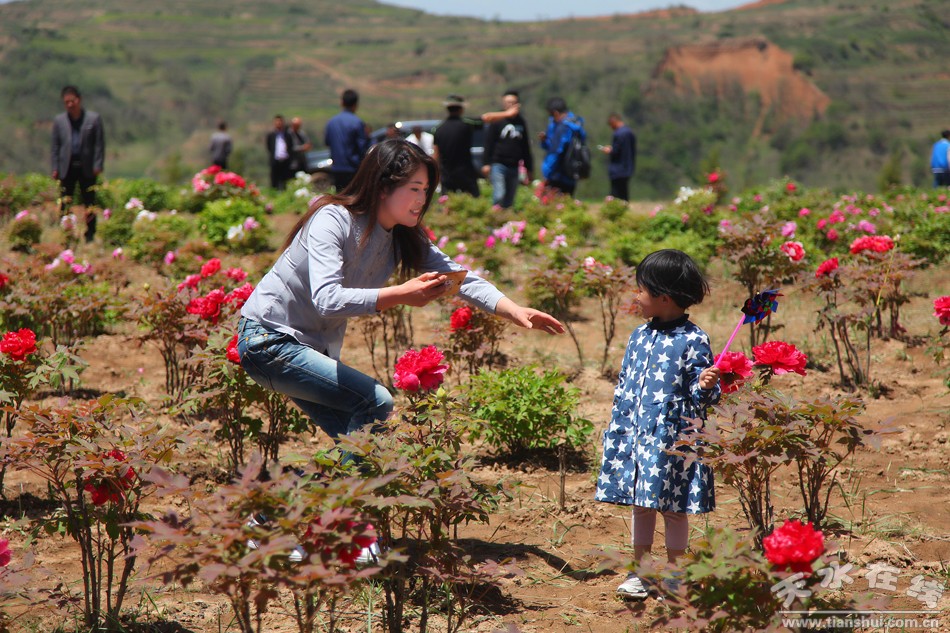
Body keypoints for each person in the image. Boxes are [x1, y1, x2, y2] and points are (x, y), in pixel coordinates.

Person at [237, 139, 565, 445]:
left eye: (426, 190)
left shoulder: (401, 237)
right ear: (383, 187)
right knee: (375, 402)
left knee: (370, 445)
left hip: (304, 347)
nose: (422, 199)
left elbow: (459, 279)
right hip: (268, 339)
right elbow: (327, 299)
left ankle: (302, 506)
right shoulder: (333, 220)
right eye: (414, 188)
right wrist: (401, 294)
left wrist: (513, 309)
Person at [594, 249, 721, 600]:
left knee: (673, 507)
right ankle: (642, 573)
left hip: (671, 439)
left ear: (663, 297)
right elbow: (626, 386)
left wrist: (706, 384)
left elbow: (702, 394)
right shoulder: (639, 336)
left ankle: (676, 575)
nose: (636, 297)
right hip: (636, 436)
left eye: (642, 290)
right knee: (641, 503)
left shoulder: (693, 339)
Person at [51, 85, 105, 242]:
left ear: (79, 100)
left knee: (89, 200)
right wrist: (55, 167)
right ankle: (66, 232)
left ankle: (90, 234)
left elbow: (99, 145)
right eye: (66, 102)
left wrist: (98, 164)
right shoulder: (59, 121)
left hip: (86, 167)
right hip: (66, 166)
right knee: (65, 200)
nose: (69, 105)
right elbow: (55, 146)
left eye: (72, 101)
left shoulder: (93, 119)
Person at [481, 90, 533, 209]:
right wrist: (486, 163)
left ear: (517, 104)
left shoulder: (521, 122)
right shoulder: (497, 119)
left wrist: (529, 168)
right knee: (499, 194)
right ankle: (495, 220)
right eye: (507, 102)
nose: (510, 105)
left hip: (514, 165)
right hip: (498, 164)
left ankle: (506, 223)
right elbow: (488, 143)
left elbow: (525, 147)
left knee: (510, 200)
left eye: (512, 103)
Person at [433, 95, 481, 197]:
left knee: (447, 202)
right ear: (461, 109)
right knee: (473, 200)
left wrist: (436, 174)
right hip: (465, 172)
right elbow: (486, 119)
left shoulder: (439, 129)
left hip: (447, 174)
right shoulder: (467, 125)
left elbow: (436, 154)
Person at [324, 89, 371, 192]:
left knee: (339, 199)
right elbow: (362, 147)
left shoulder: (331, 122)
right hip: (353, 169)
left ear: (342, 102)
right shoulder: (357, 123)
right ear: (356, 104)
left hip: (336, 168)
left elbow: (327, 142)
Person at [539, 97, 586, 197]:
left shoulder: (562, 128)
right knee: (567, 203)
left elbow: (556, 151)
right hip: (572, 172)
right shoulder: (575, 124)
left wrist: (547, 173)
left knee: (554, 205)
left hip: (557, 175)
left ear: (555, 113)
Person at [602, 113, 636, 201]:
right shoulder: (629, 132)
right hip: (628, 167)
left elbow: (615, 151)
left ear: (614, 122)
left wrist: (609, 150)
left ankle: (616, 210)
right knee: (624, 192)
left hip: (617, 168)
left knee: (615, 194)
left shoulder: (618, 134)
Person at [265, 114, 294, 190]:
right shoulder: (271, 135)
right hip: (275, 161)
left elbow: (291, 146)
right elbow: (269, 147)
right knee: (274, 182)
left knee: (285, 182)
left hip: (285, 161)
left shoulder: (287, 135)